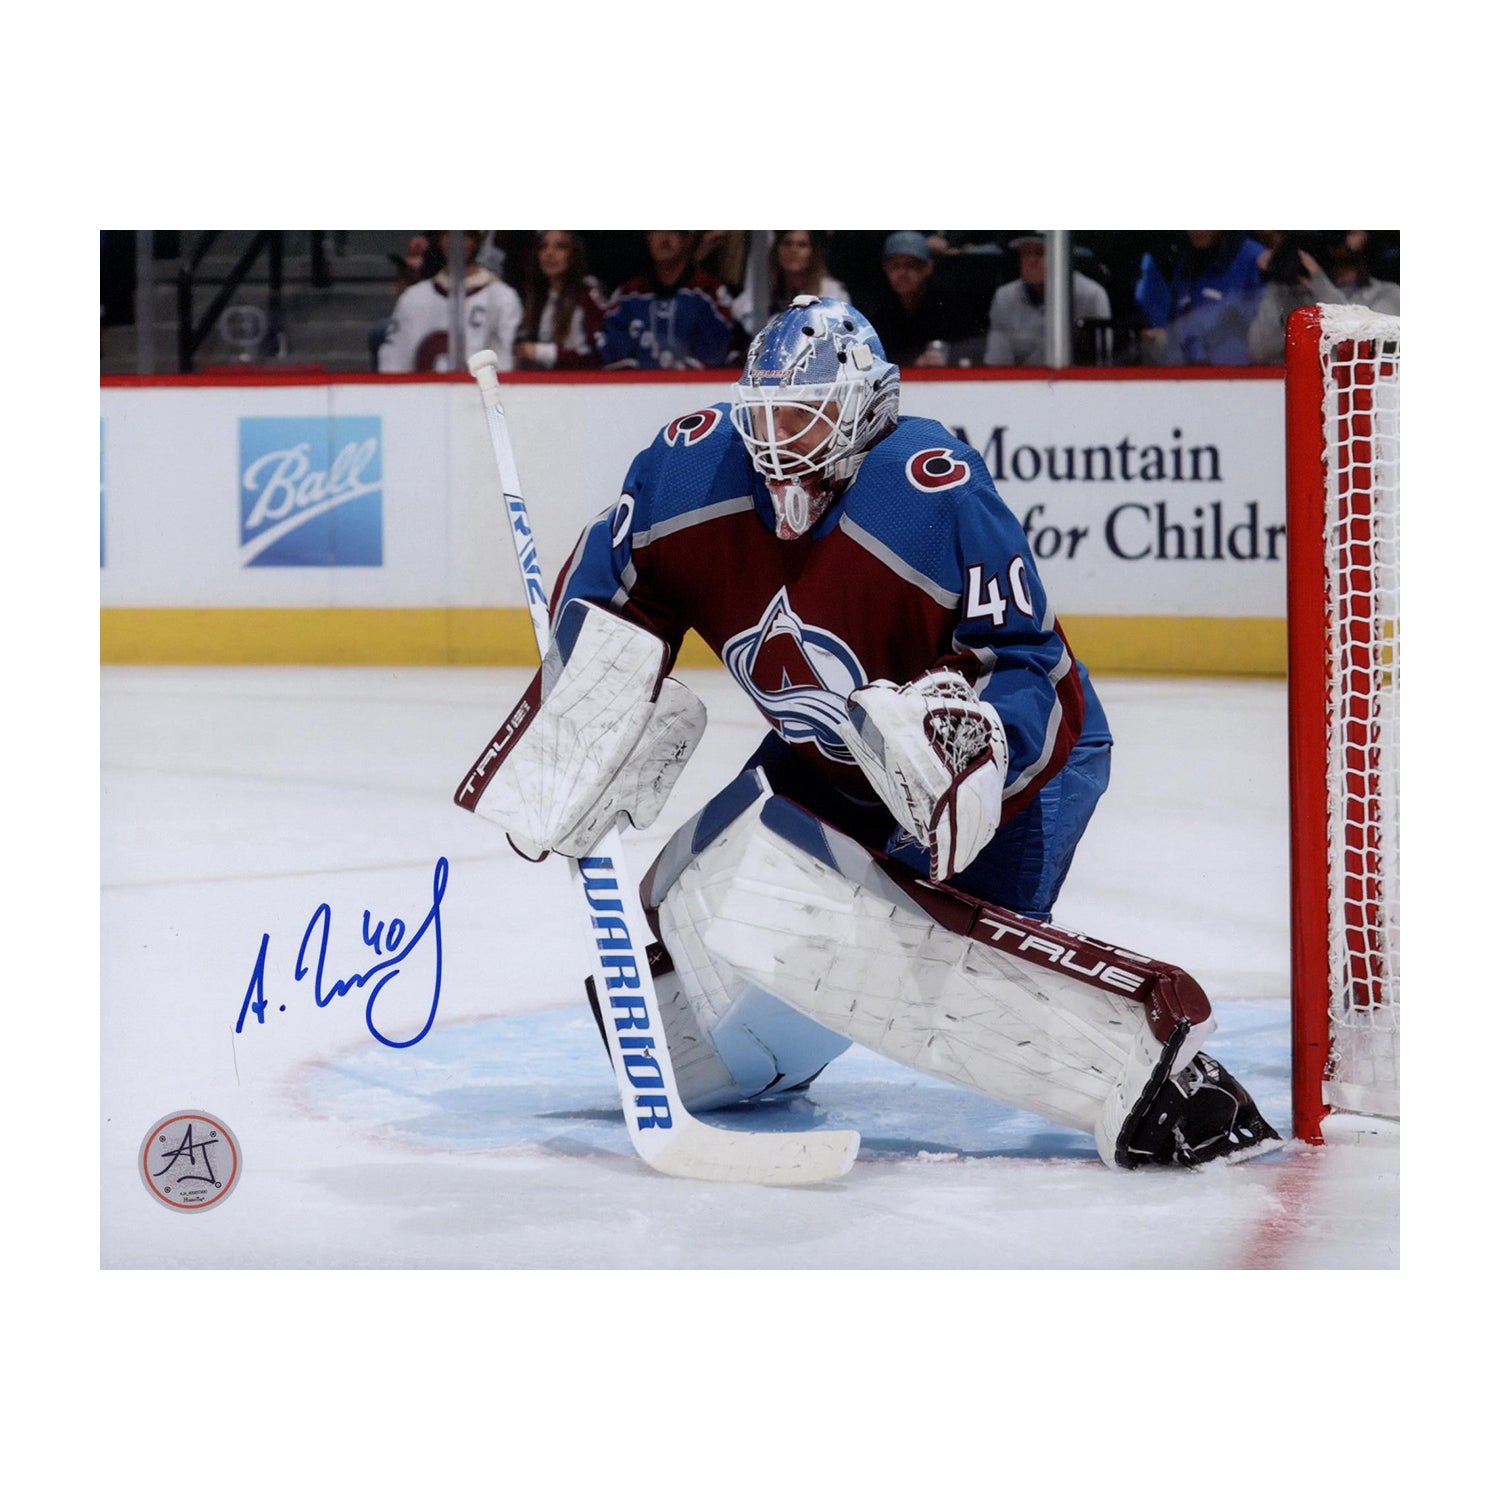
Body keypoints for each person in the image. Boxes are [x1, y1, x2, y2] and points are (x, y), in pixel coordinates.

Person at [481, 294, 1279, 1171]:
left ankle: (1165, 1091)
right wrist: (584, 708)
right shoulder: (692, 469)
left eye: (805, 416)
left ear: (867, 410)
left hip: (1020, 768)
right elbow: (615, 584)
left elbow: (1028, 666)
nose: (777, 441)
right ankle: (731, 1050)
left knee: (938, 959)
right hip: (829, 757)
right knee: (713, 881)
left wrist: (977, 756)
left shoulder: (932, 493)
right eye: (765, 414)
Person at [375, 230, 522, 373]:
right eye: (447, 234)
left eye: (466, 235)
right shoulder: (413, 298)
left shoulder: (502, 298)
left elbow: (504, 367)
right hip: (422, 390)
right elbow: (393, 364)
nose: (455, 242)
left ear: (479, 240)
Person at [1247, 231, 1401, 365]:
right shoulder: (1293, 295)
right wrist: (1277, 289)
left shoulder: (1387, 293)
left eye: (1349, 232)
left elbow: (1360, 343)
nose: (1339, 239)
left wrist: (1320, 283)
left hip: (1357, 385)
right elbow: (1259, 353)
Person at [600, 231, 743, 369]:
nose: (664, 239)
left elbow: (720, 351)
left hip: (695, 384)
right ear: (648, 239)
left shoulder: (710, 292)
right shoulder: (628, 295)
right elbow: (613, 354)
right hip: (638, 384)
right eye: (657, 231)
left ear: (688, 240)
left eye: (673, 231)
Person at [1135, 231, 1267, 366]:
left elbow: (1263, 344)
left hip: (1240, 375)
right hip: (1193, 375)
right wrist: (1166, 343)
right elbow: (1178, 329)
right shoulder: (1185, 265)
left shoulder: (1255, 261)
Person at [983, 232, 1112, 366]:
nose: (1031, 260)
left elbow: (1101, 360)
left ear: (1061, 256)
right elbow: (997, 361)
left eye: (1040, 253)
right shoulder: (1004, 297)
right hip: (1021, 379)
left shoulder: (1092, 295)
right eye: (1026, 253)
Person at [860, 231, 978, 366]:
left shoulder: (947, 303)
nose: (902, 273)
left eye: (911, 266)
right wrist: (912, 360)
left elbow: (969, 346)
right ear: (885, 269)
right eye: (895, 266)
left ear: (928, 268)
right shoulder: (876, 306)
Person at [513, 230, 607, 370]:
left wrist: (541, 352)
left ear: (574, 254)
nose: (549, 253)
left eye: (560, 247)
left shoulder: (588, 297)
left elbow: (600, 357)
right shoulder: (535, 298)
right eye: (543, 247)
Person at [731, 230, 849, 337]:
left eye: (802, 245)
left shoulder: (832, 294)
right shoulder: (761, 292)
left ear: (814, 252)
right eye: (787, 243)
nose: (793, 250)